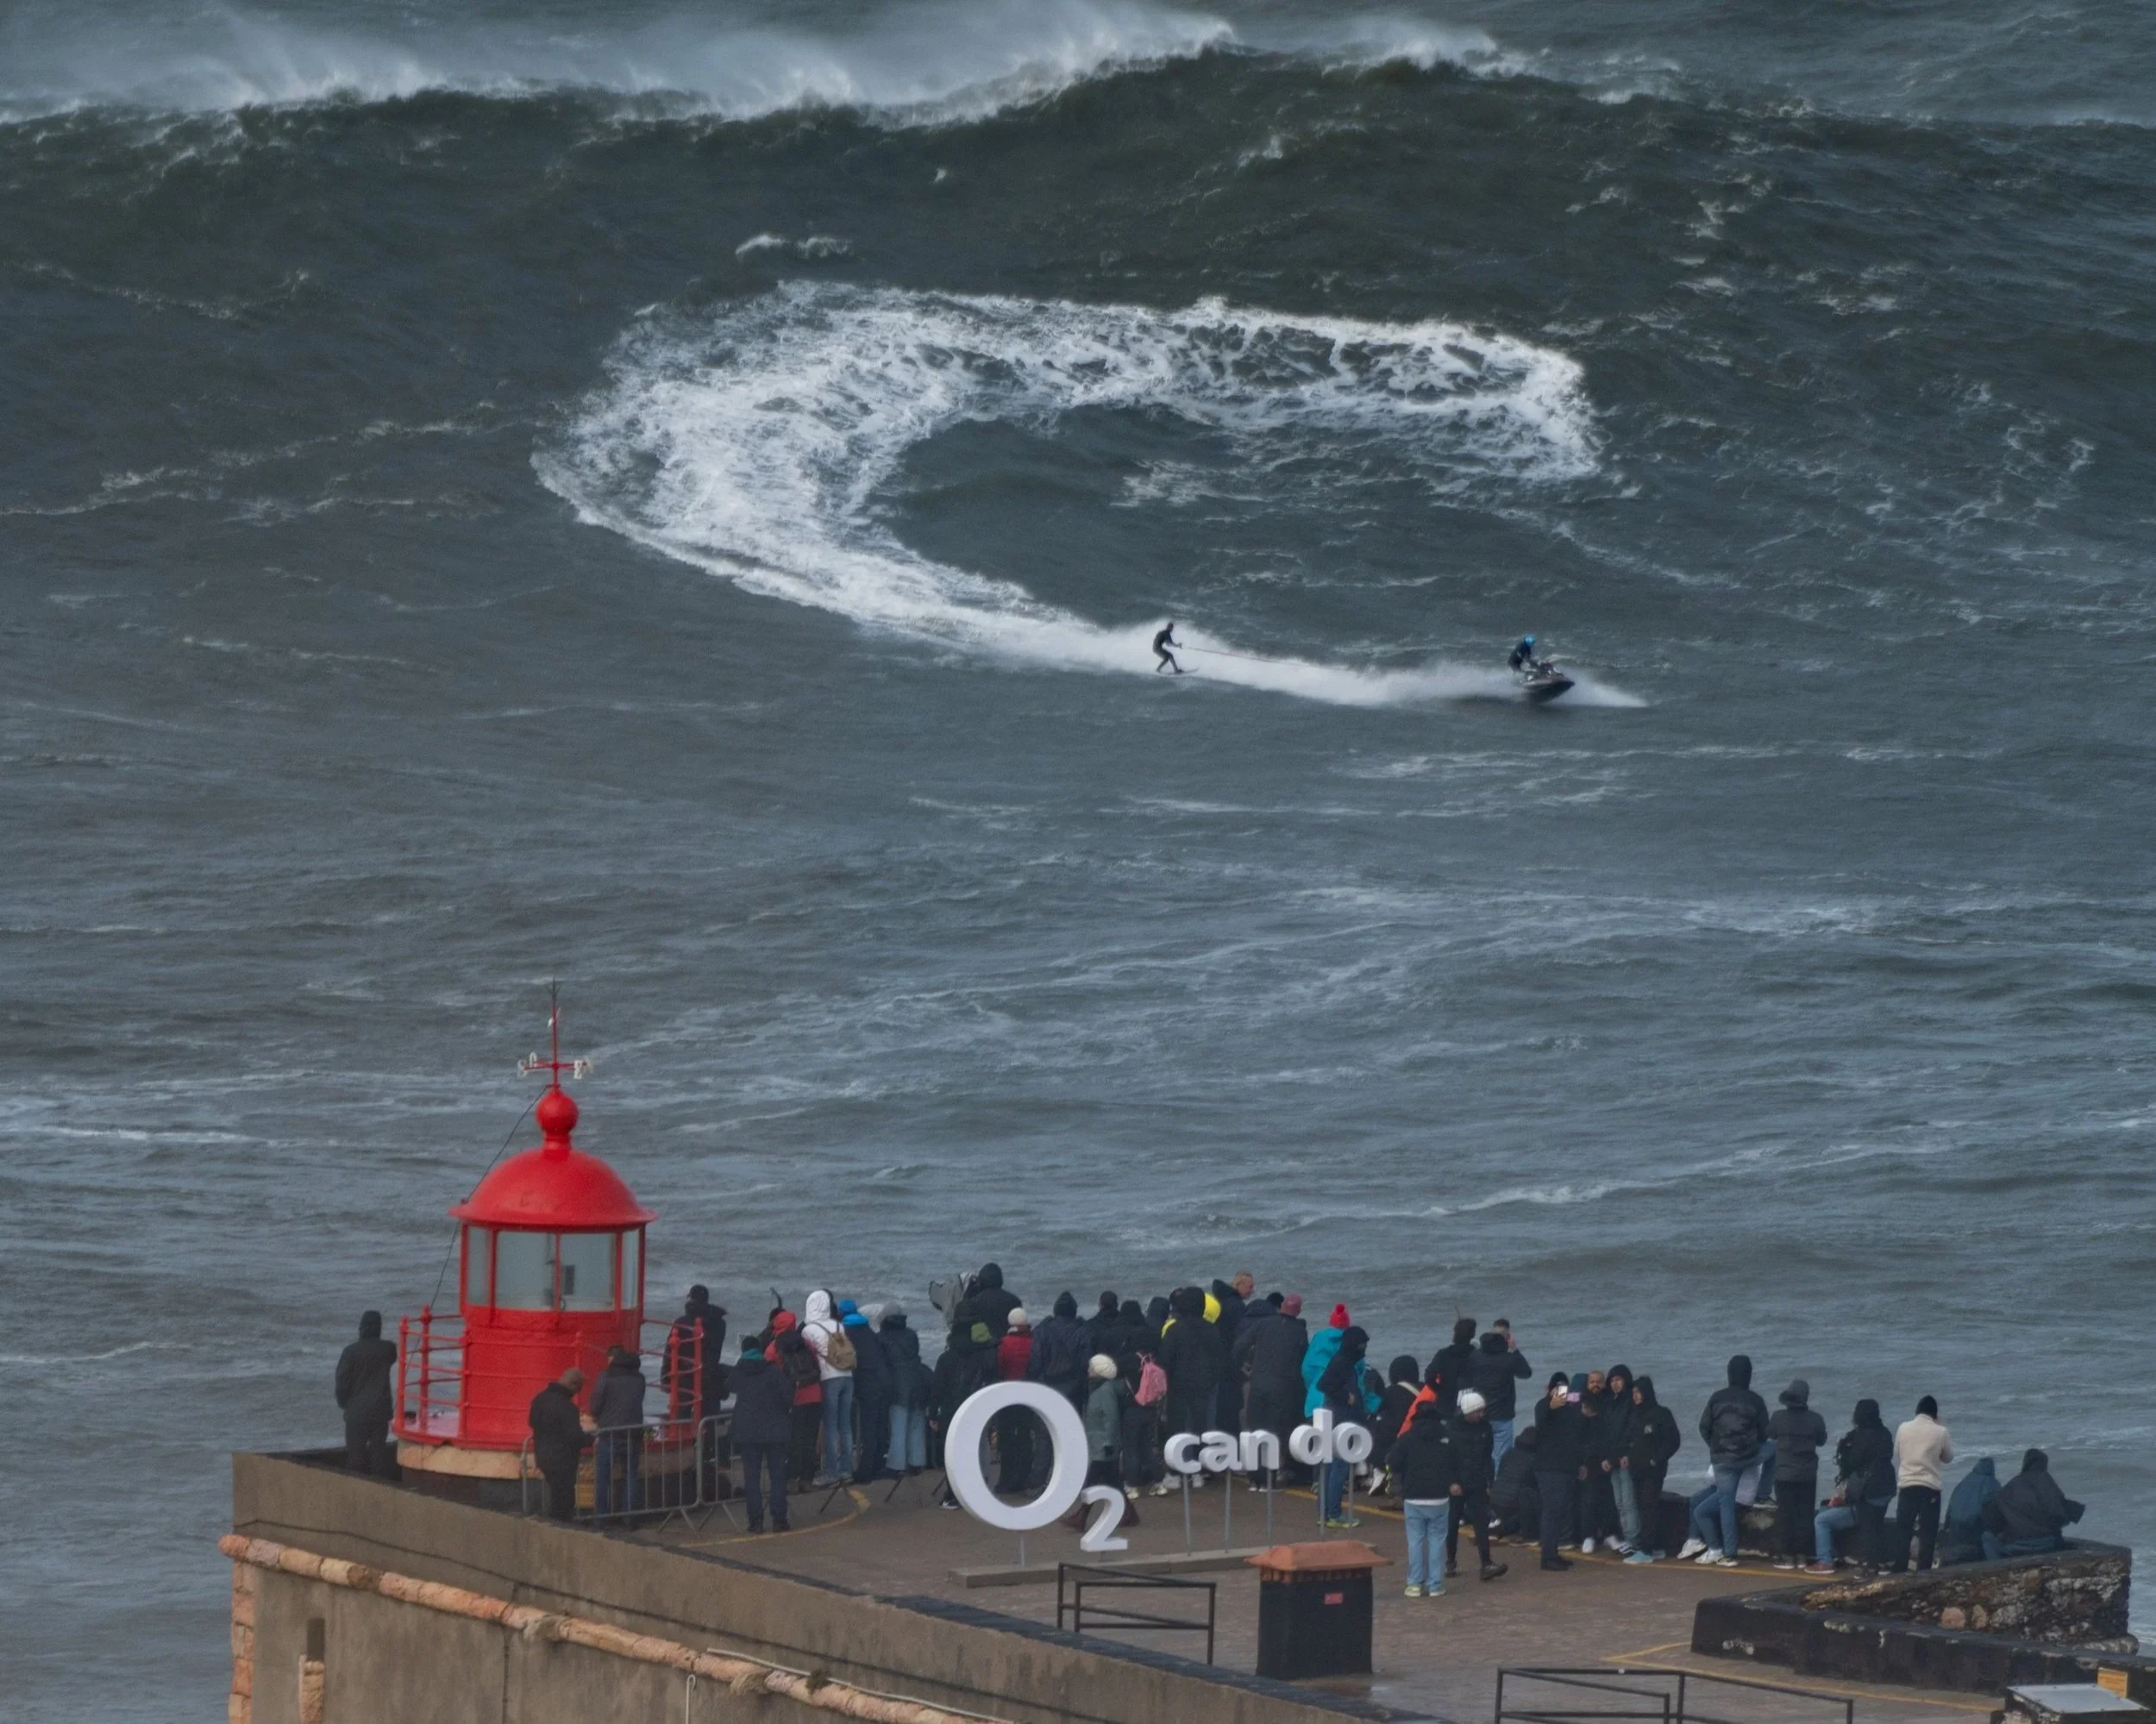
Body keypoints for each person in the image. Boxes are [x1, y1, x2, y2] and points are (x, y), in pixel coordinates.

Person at [1808, 1399, 1896, 1574]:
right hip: (1887, 1487)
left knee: (1866, 1527)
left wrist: (1844, 1448)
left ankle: (1868, 1566)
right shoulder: (1885, 1433)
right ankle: (1882, 1564)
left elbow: (1853, 1462)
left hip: (1868, 1489)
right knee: (1876, 1523)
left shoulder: (1862, 1436)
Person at [1697, 1355, 1770, 1565]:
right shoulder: (1756, 1400)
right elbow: (1765, 1433)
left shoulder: (1716, 1397)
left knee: (1726, 1503)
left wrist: (1715, 1446)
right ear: (1749, 1375)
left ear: (1729, 1374)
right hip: (1748, 1457)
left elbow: (1704, 1427)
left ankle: (1730, 1553)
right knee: (1774, 1447)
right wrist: (1751, 1447)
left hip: (1722, 1459)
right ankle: (1764, 1494)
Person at [1233, 1293, 1307, 1475]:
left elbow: (1239, 1346)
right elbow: (1302, 1360)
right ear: (1298, 1312)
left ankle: (1254, 1470)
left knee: (1256, 1426)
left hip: (1258, 1384)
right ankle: (1275, 1471)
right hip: (1283, 1387)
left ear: (1281, 1307)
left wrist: (1242, 1368)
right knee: (1277, 1429)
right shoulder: (1299, 1331)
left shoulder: (1263, 1323)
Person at [1389, 1395, 1456, 1597]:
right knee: (1437, 1540)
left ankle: (1415, 1584)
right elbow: (1455, 1463)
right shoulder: (1446, 1436)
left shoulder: (1407, 1438)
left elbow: (1393, 1463)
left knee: (1416, 1540)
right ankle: (1435, 1585)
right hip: (1440, 1496)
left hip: (1414, 1496)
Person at [1157, 1287, 1226, 1479]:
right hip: (1203, 1387)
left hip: (1178, 1387)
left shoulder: (1174, 1329)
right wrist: (1210, 1380)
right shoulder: (1212, 1329)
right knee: (1201, 1428)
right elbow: (1220, 1360)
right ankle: (1199, 1471)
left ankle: (1176, 1472)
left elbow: (1164, 1359)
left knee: (1177, 1429)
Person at [931, 1323, 998, 1508]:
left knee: (951, 1454)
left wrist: (933, 1413)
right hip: (973, 1409)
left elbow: (937, 1387)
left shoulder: (945, 1359)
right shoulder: (978, 1358)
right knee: (972, 1452)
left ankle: (953, 1495)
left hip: (950, 1411)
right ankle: (975, 1491)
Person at [730, 1341, 793, 1533]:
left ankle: (756, 1522)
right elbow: (788, 1397)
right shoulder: (773, 1372)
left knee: (751, 1478)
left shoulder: (740, 1371)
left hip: (747, 1432)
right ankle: (779, 1520)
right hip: (775, 1430)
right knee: (777, 1476)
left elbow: (728, 1387)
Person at [1445, 1390, 1507, 1582]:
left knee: (1481, 1523)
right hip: (1457, 1483)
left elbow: (1488, 1457)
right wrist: (1451, 1482)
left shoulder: (1485, 1428)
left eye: (1482, 1411)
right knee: (1453, 1522)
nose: (1481, 1415)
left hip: (1477, 1481)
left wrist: (1489, 1481)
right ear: (1467, 1412)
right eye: (1477, 1412)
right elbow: (1446, 1459)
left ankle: (1486, 1563)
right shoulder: (1451, 1428)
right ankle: (1450, 1561)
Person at [1768, 1380, 1827, 1570]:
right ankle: (1802, 1556)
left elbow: (1770, 1434)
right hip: (1807, 1474)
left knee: (1785, 1513)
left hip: (1783, 1474)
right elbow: (1822, 1440)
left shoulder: (1778, 1417)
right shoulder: (1815, 1419)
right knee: (1805, 1514)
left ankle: (1786, 1555)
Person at [1621, 1376, 1682, 1563]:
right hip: (1636, 1470)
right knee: (1643, 1507)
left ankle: (1646, 1551)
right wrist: (1626, 1456)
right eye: (1633, 1393)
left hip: (1653, 1471)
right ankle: (1655, 1547)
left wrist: (1657, 1459)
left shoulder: (1661, 1414)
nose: (1636, 1396)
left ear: (1647, 1392)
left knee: (1649, 1507)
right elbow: (1629, 1439)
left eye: (1638, 1392)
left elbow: (1673, 1440)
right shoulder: (1634, 1415)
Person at [1890, 1396, 1953, 1573]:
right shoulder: (1941, 1431)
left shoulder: (1903, 1428)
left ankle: (1899, 1568)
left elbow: (1897, 1452)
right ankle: (1924, 1570)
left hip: (1907, 1486)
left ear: (1917, 1411)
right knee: (1928, 1533)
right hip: (1930, 1488)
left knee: (1903, 1530)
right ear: (1935, 1414)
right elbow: (1948, 1457)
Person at [1317, 1326, 1372, 1528]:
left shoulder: (1342, 1360)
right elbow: (1324, 1384)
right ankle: (1334, 1513)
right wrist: (1346, 1397)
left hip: (1334, 1419)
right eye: (1362, 1345)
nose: (1364, 1349)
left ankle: (1324, 1513)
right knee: (1338, 1467)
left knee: (1329, 1467)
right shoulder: (1342, 1362)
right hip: (1340, 1420)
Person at [1982, 1451, 2084, 1559]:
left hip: (2018, 1544)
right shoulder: (2047, 1481)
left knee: (1986, 1537)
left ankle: (1997, 1567)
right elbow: (2058, 1512)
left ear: (2026, 1463)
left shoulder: (2012, 1485)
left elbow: (1992, 1515)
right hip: (2047, 1543)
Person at [335, 1311, 398, 1478]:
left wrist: (343, 1403)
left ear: (364, 1328)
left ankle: (357, 1489)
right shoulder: (388, 1349)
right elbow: (393, 1356)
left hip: (356, 1413)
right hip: (380, 1412)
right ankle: (381, 1486)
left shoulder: (350, 1352)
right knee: (378, 1455)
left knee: (356, 1456)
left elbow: (341, 1382)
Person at [1532, 1374, 1587, 1570]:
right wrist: (1550, 1405)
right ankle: (1547, 1557)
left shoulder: (1571, 1410)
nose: (1560, 1393)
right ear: (1549, 1389)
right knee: (1551, 1512)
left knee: (1560, 1512)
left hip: (1567, 1468)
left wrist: (1580, 1464)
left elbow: (1576, 1438)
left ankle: (1553, 1552)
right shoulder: (1543, 1405)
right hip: (1548, 1468)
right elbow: (1541, 1419)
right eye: (1557, 1388)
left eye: (1564, 1389)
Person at [802, 1290, 856, 1486]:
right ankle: (846, 1470)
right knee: (845, 1426)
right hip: (847, 1377)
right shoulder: (839, 1325)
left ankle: (832, 1472)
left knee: (831, 1427)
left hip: (828, 1379)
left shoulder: (808, 1330)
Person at [590, 1345, 648, 1519]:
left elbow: (595, 1406)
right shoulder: (640, 1378)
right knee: (630, 1476)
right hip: (633, 1433)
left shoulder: (606, 1376)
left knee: (603, 1478)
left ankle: (601, 1518)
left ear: (612, 1359)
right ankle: (628, 1518)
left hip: (610, 1433)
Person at [528, 1367, 592, 1521]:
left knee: (556, 1493)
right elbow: (574, 1436)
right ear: (572, 1385)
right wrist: (591, 1439)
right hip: (563, 1460)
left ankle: (554, 1521)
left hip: (543, 1455)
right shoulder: (568, 1408)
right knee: (565, 1498)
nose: (577, 1393)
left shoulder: (540, 1399)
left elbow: (532, 1421)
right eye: (578, 1389)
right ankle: (560, 1525)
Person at [769, 1312, 824, 1488]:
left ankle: (791, 1479)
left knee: (793, 1440)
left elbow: (769, 1372)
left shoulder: (774, 1347)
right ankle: (807, 1479)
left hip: (795, 1398)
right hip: (814, 1395)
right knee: (809, 1439)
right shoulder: (805, 1343)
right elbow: (817, 1364)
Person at [1463, 1326, 1533, 1463]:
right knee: (1501, 1459)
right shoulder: (1509, 1358)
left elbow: (1467, 1374)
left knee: (1480, 1456)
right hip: (1502, 1416)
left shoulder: (1475, 1356)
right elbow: (1526, 1373)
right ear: (1507, 1339)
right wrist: (1515, 1350)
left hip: (1480, 1414)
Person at [880, 1305, 930, 1476]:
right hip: (918, 1380)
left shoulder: (882, 1337)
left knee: (898, 1426)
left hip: (897, 1384)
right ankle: (917, 1462)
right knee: (916, 1422)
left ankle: (896, 1465)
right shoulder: (911, 1335)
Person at [844, 1302, 893, 1483]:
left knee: (869, 1429)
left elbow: (853, 1364)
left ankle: (866, 1472)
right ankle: (878, 1465)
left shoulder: (849, 1335)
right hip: (885, 1381)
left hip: (869, 1386)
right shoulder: (870, 1333)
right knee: (880, 1426)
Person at [995, 1308, 1037, 1494]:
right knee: (1024, 1437)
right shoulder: (1033, 1342)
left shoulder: (1005, 1343)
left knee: (1007, 1437)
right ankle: (1024, 1477)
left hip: (1008, 1395)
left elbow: (1000, 1367)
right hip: (1028, 1395)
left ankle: (1006, 1480)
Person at [1028, 1292, 1094, 1410]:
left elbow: (1036, 1360)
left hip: (1048, 1385)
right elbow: (1086, 1361)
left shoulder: (1043, 1330)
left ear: (1055, 1310)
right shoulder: (1083, 1330)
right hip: (1074, 1388)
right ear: (1074, 1311)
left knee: (1048, 1418)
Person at [1574, 1382, 1619, 1553]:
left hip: (1603, 1466)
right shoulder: (1580, 1421)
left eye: (1586, 1407)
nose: (1584, 1409)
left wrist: (1608, 1460)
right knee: (1588, 1502)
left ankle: (1609, 1534)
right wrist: (1580, 1464)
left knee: (1607, 1501)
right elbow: (1576, 1445)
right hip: (1587, 1467)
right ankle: (1589, 1536)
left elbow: (1609, 1443)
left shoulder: (1604, 1419)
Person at [1599, 1366, 1637, 1552]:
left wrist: (1619, 1455)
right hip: (1612, 1460)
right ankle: (1627, 1538)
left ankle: (1633, 1540)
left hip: (1624, 1460)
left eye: (1618, 1380)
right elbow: (1607, 1434)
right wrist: (1606, 1458)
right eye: (1612, 1380)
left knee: (1628, 1502)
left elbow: (1629, 1432)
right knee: (1620, 1503)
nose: (1615, 1384)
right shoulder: (1610, 1403)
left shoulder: (1630, 1402)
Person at [1940, 1457, 2000, 1565]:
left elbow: (1949, 1512)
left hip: (1954, 1533)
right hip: (1975, 1534)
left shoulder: (1962, 1483)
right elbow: (1997, 1515)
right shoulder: (1992, 1484)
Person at [1084, 1355, 1130, 1493]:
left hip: (1102, 1445)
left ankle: (1085, 1505)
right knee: (1113, 1481)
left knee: (1093, 1481)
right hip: (1100, 1443)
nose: (1088, 1370)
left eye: (1091, 1368)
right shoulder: (1100, 1389)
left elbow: (1111, 1418)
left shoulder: (1104, 1391)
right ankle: (1125, 1505)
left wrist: (1108, 1443)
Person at [1490, 1423, 1540, 1541]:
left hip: (1495, 1499)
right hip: (1514, 1502)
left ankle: (1497, 1524)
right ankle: (1505, 1529)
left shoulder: (1509, 1453)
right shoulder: (1535, 1459)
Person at [953, 1263, 1020, 1344]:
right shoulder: (1015, 1301)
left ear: (981, 1281)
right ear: (1001, 1280)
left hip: (981, 1347)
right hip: (1008, 1346)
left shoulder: (971, 1303)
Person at [1426, 1319, 1478, 1420]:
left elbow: (1429, 1376)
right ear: (1472, 1335)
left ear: (1455, 1333)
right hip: (1469, 1405)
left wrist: (1440, 1390)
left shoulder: (1443, 1354)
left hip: (1445, 1405)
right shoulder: (1476, 1355)